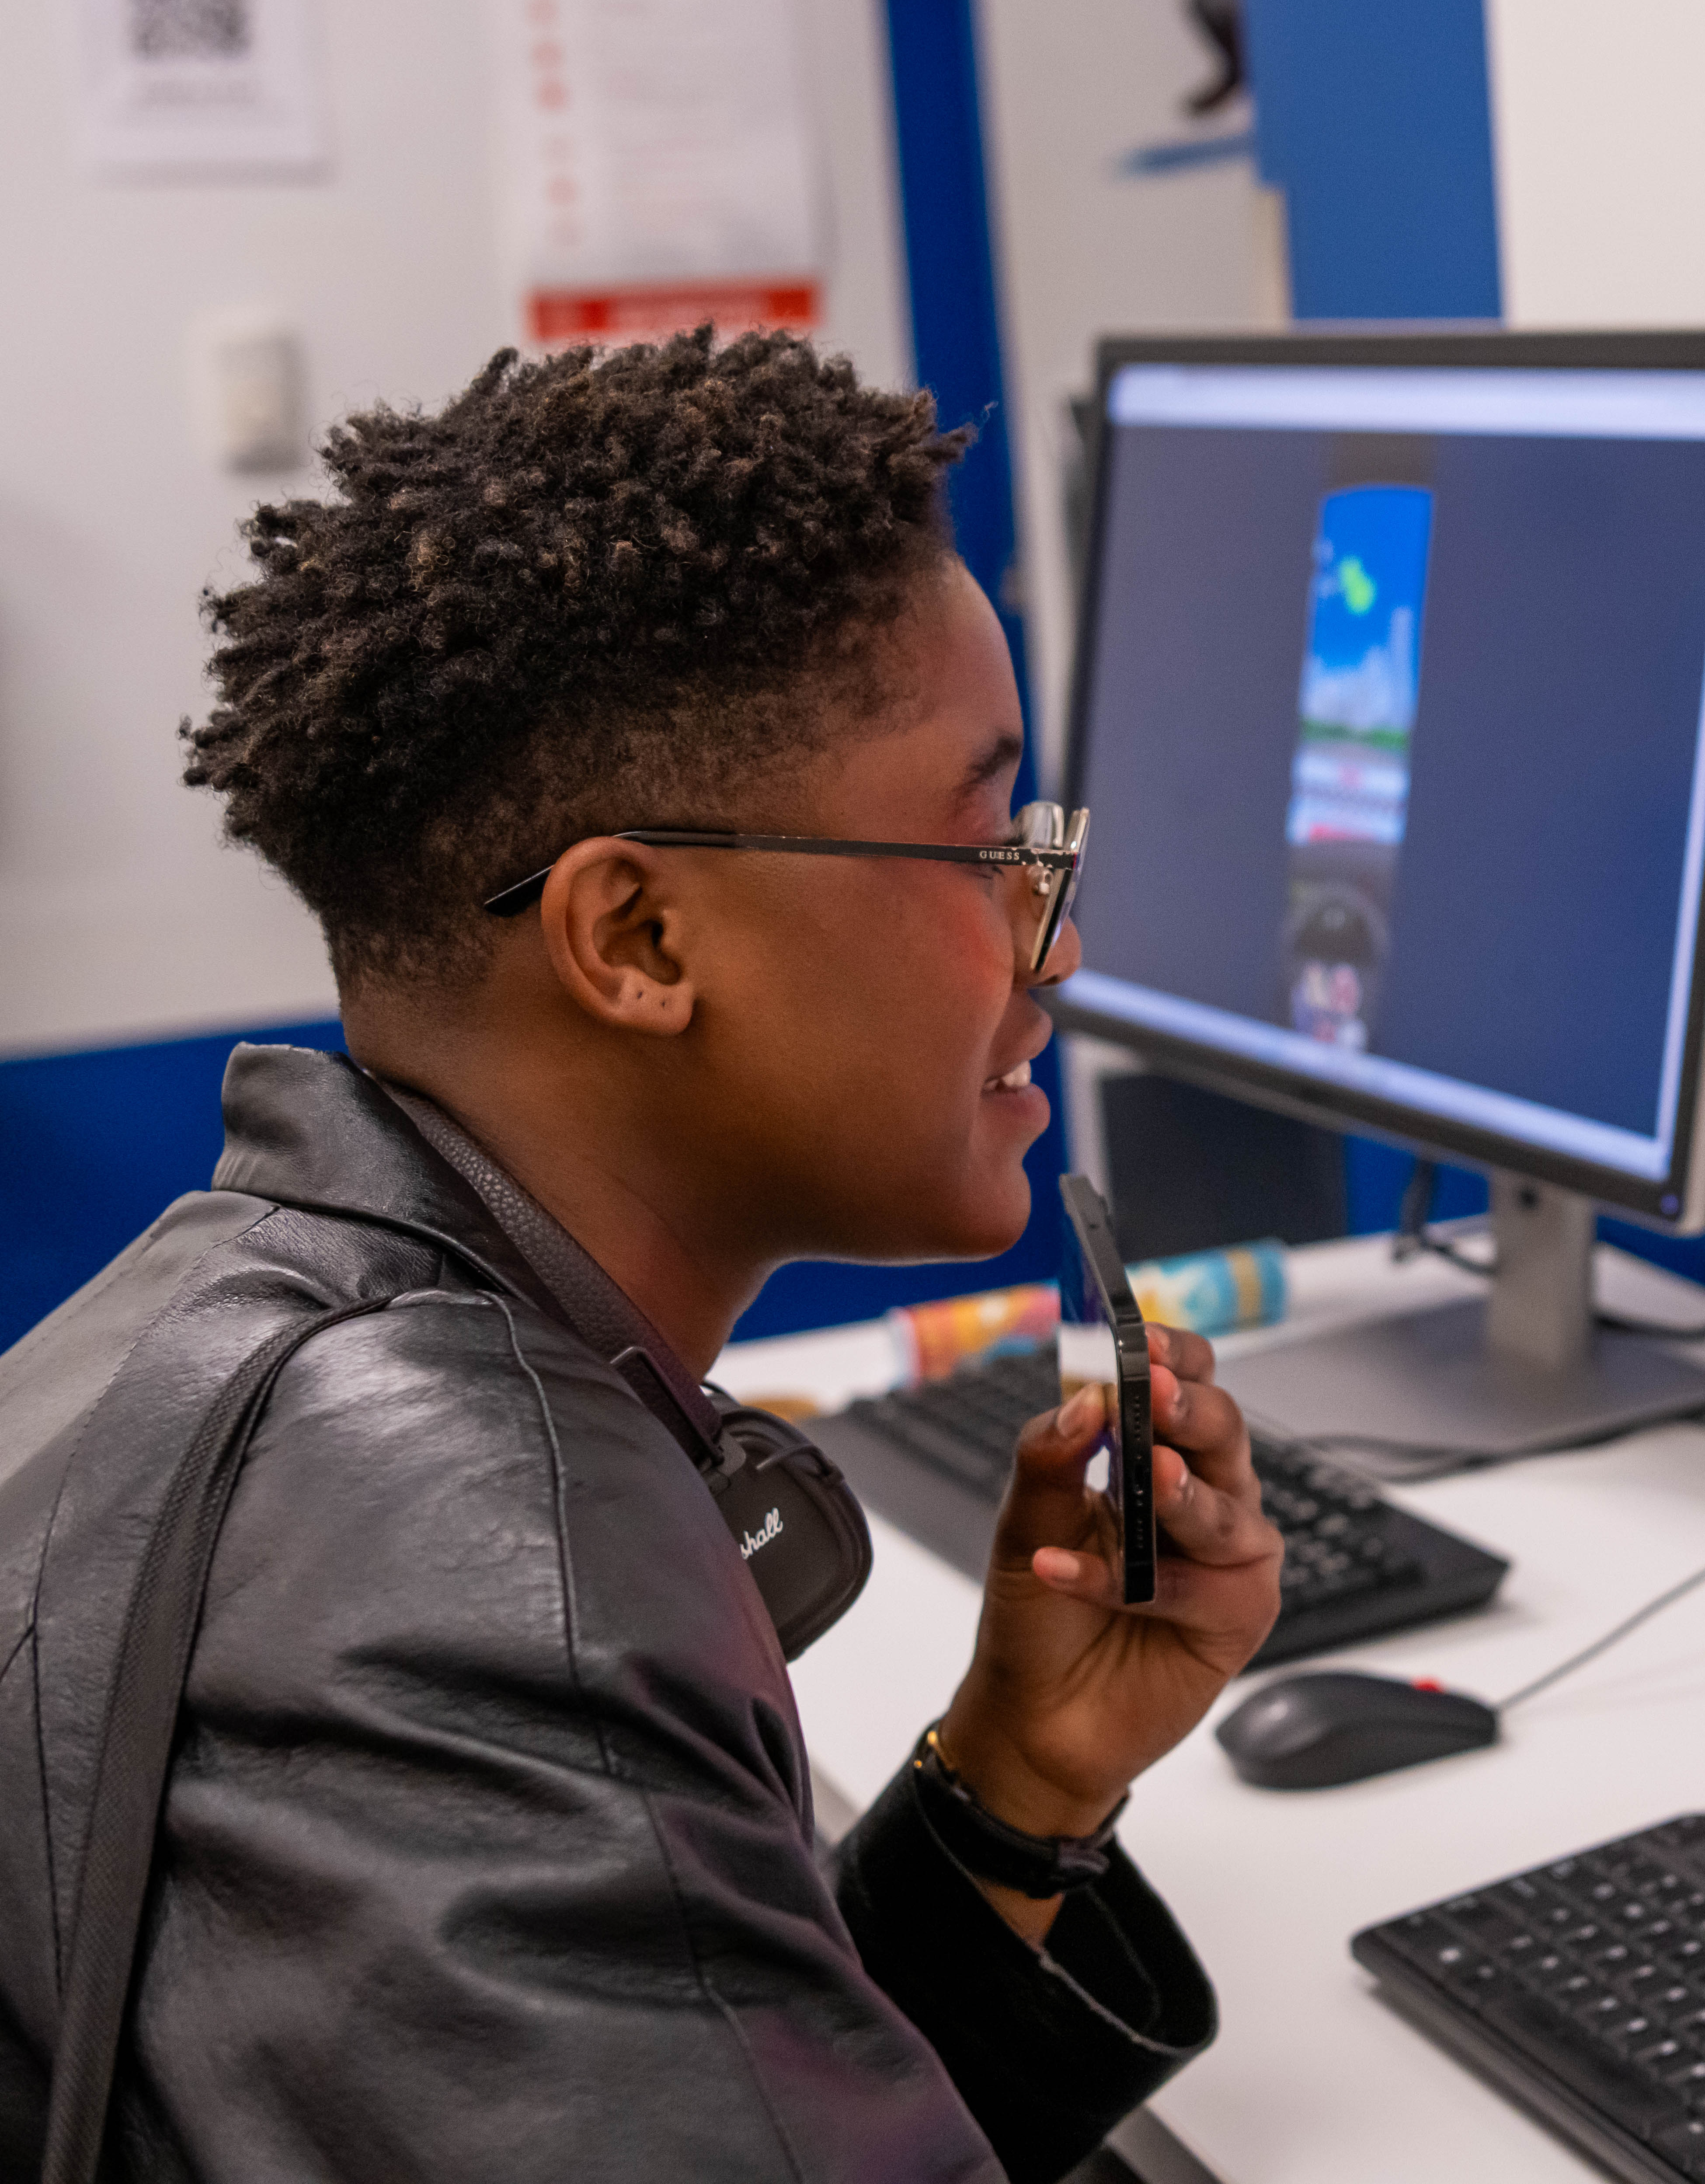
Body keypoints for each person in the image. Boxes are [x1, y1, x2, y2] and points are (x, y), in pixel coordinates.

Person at [0, 330, 1284, 2180]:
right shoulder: (486, 1579)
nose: (1053, 944)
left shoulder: (272, 1297)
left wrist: (1017, 1788)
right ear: (642, 938)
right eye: (984, 842)